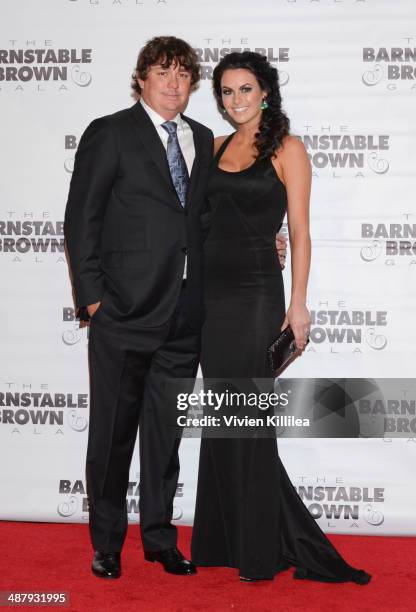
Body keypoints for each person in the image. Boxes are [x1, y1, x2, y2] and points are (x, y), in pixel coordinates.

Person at [190, 51, 372, 585]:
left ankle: (263, 546)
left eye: (245, 89)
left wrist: (298, 304)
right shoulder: (214, 147)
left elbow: (300, 231)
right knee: (225, 417)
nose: (236, 100)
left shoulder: (288, 149)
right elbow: (198, 221)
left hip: (255, 296)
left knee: (248, 422)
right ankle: (226, 538)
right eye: (226, 91)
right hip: (211, 298)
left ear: (265, 92)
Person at [64, 36, 214, 579]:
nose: (173, 84)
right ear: (142, 79)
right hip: (123, 314)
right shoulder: (110, 133)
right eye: (162, 72)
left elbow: (201, 222)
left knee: (164, 437)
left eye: (182, 75)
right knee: (112, 436)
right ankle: (107, 543)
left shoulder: (201, 138)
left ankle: (159, 539)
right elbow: (81, 220)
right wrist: (94, 300)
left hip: (184, 315)